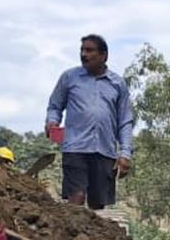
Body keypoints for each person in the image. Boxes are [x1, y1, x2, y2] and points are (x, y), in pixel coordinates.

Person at [46, 34, 136, 212]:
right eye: (82, 50)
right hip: (75, 147)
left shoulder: (117, 84)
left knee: (97, 204)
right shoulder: (69, 78)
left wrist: (125, 153)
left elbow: (125, 121)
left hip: (104, 150)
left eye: (89, 50)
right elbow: (55, 105)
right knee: (76, 197)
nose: (84, 54)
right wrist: (52, 121)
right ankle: (71, 237)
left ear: (103, 55)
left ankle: (90, 239)